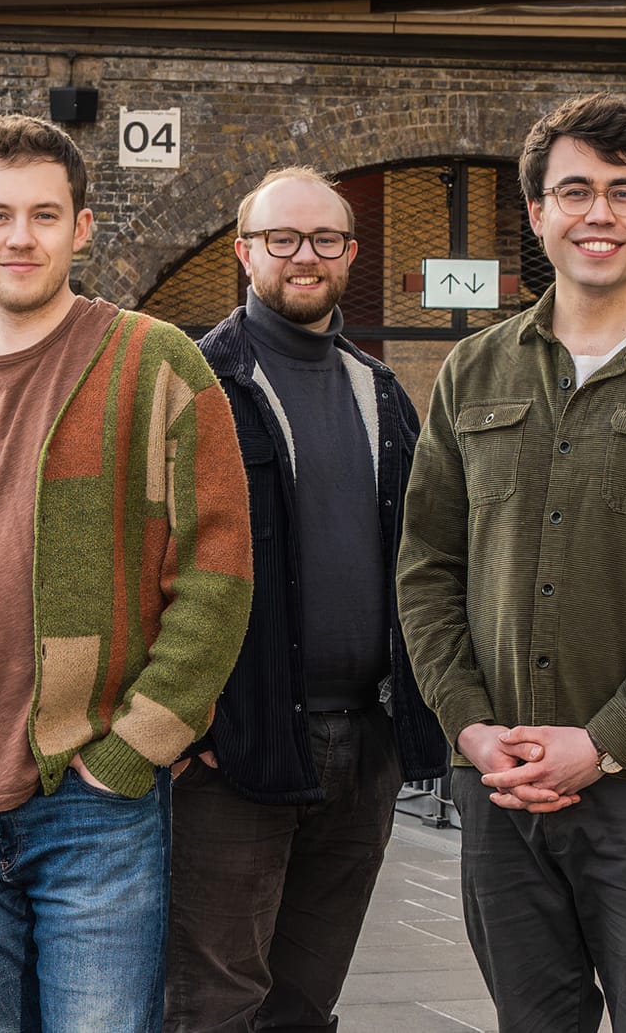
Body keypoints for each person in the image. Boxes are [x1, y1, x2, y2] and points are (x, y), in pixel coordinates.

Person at [0, 113, 253, 1033]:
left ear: (81, 227)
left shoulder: (156, 364)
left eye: (43, 214)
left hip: (91, 799)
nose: (19, 237)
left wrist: (133, 748)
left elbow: (218, 573)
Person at [396, 93, 626, 1032]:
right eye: (573, 192)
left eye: (622, 192)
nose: (597, 213)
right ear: (536, 214)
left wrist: (600, 742)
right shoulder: (472, 372)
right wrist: (472, 729)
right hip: (501, 785)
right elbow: (426, 568)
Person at [166, 166, 448, 1030]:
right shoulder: (196, 385)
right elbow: (146, 560)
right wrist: (186, 722)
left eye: (325, 239)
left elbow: (422, 559)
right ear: (245, 253)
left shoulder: (383, 392)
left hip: (365, 747)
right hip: (236, 750)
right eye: (281, 239)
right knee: (213, 1005)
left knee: (305, 1002)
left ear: (351, 255)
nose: (304, 255)